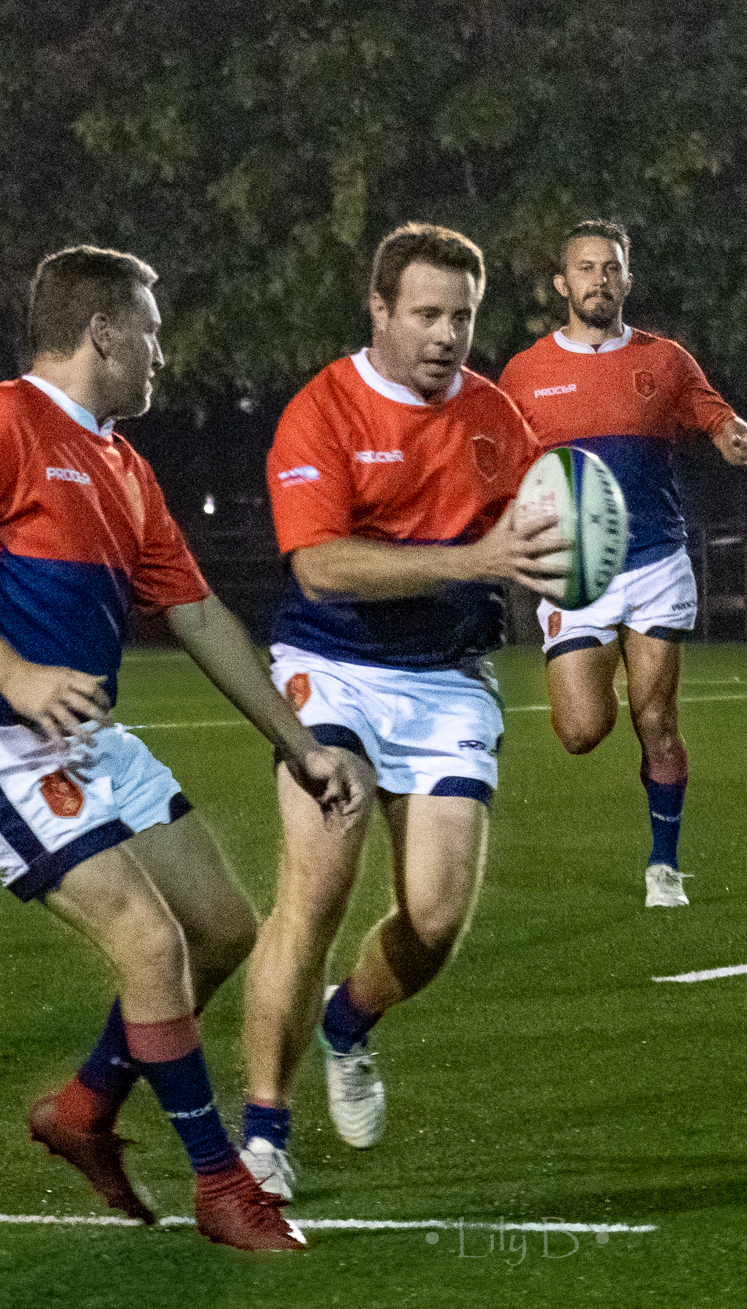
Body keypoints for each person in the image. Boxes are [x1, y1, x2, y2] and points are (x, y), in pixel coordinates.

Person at [0, 245, 363, 1252]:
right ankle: (222, 1186)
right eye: (151, 331)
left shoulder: (120, 464)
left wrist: (302, 743)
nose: (162, 354)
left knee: (224, 929)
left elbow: (193, 614)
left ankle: (84, 1108)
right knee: (150, 944)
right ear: (103, 333)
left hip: (85, 739)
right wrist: (12, 674)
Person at [235, 223, 563, 1201]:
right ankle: (261, 1131)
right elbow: (320, 563)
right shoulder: (321, 412)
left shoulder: (498, 419)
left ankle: (349, 1022)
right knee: (318, 886)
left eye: (461, 315)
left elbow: (544, 539)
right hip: (329, 671)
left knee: (432, 918)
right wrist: (473, 560)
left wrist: (569, 592)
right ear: (377, 309)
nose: (445, 334)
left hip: (448, 678)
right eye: (424, 313)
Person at [497, 220, 747, 909]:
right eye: (585, 268)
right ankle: (599, 674)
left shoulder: (667, 361)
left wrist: (740, 442)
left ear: (628, 280)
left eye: (611, 268)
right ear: (563, 284)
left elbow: (720, 422)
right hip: (576, 572)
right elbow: (498, 465)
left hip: (655, 561)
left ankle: (663, 867)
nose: (599, 279)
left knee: (657, 721)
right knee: (582, 732)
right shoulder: (525, 373)